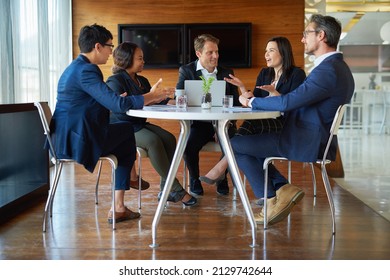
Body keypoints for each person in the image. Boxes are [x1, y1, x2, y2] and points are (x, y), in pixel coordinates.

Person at [231, 14, 355, 225]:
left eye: (306, 34)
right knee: (249, 143)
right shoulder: (337, 68)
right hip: (309, 135)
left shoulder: (328, 71)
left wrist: (251, 102)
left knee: (234, 145)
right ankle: (282, 188)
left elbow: (288, 103)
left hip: (304, 139)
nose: (303, 39)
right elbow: (293, 101)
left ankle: (271, 198)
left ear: (321, 35)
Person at [49, 24, 167, 224]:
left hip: (63, 137)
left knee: (124, 132)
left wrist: (115, 100)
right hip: (75, 141)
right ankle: (122, 196)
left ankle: (124, 193)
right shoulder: (88, 70)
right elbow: (118, 105)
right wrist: (150, 96)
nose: (111, 51)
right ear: (97, 46)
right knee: (126, 133)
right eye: (109, 46)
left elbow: (97, 100)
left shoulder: (76, 67)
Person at [199, 37, 306, 204]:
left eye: (271, 50)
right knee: (242, 143)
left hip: (286, 126)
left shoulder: (296, 74)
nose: (266, 54)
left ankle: (222, 168)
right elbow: (255, 103)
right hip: (264, 125)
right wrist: (242, 89)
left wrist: (275, 94)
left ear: (283, 53)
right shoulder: (265, 73)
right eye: (266, 51)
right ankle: (274, 190)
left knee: (238, 140)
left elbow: (292, 105)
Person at [106, 42, 197, 206]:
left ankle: (166, 189)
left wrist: (168, 101)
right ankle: (176, 188)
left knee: (169, 138)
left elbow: (151, 100)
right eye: (139, 58)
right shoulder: (114, 81)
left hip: (138, 123)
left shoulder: (142, 80)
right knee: (153, 141)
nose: (143, 61)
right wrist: (150, 96)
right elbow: (119, 108)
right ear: (127, 60)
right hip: (122, 126)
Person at [176, 34, 240, 196]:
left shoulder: (227, 72)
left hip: (224, 123)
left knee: (235, 142)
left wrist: (223, 125)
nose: (215, 56)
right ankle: (194, 179)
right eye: (210, 52)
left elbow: (236, 104)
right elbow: (179, 96)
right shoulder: (187, 71)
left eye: (217, 52)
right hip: (200, 125)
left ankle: (221, 177)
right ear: (198, 54)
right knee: (188, 146)